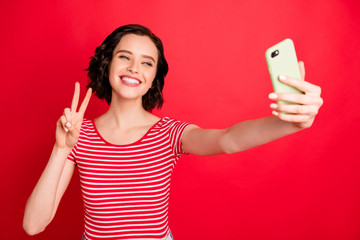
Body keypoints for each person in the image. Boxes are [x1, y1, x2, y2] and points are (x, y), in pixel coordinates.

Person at [23, 24, 323, 240]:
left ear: (154, 76)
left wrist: (288, 123)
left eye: (147, 62)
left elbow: (227, 139)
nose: (134, 68)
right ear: (108, 63)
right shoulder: (79, 134)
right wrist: (61, 148)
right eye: (124, 56)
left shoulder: (169, 133)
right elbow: (34, 225)